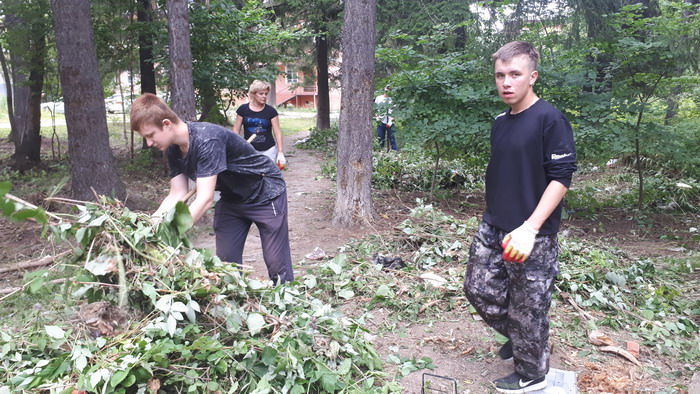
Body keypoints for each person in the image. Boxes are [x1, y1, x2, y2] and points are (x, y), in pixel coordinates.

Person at [462, 41, 577, 393]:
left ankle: (532, 375)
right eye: (500, 75)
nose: (506, 82)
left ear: (532, 76)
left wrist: (531, 227)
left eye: (515, 74)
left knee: (529, 307)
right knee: (477, 288)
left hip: (532, 232)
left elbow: (561, 177)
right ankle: (523, 336)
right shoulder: (501, 122)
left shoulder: (550, 119)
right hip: (495, 224)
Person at [131, 93, 294, 284]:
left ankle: (285, 296)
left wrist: (171, 234)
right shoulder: (173, 149)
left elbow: (205, 198)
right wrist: (150, 227)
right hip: (232, 198)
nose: (149, 143)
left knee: (276, 262)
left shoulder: (206, 139)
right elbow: (177, 193)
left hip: (265, 193)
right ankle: (237, 303)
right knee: (225, 265)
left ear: (166, 124)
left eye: (150, 135)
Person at [233, 80, 286, 170]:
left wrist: (280, 152)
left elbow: (277, 132)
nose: (264, 96)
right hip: (249, 149)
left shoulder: (271, 111)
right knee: (251, 176)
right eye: (261, 94)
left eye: (266, 94)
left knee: (267, 175)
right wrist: (236, 147)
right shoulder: (243, 109)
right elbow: (235, 130)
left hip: (268, 149)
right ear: (253, 94)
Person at [374, 84, 397, 151]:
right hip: (380, 121)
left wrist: (390, 122)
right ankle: (381, 152)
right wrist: (377, 118)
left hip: (390, 122)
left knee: (392, 138)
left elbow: (394, 112)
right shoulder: (378, 98)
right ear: (384, 89)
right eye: (387, 89)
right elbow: (375, 109)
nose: (387, 91)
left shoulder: (392, 100)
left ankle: (394, 152)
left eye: (389, 89)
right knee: (381, 138)